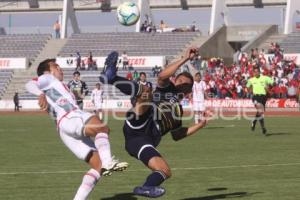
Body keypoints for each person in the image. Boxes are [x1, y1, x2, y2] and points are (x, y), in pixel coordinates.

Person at [100, 48, 208, 198]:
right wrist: (185, 59)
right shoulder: (168, 89)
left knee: (165, 171)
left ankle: (146, 187)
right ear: (175, 80)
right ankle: (111, 77)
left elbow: (177, 135)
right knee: (146, 92)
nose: (182, 84)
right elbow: (162, 76)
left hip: (142, 141)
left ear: (189, 91)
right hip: (142, 121)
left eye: (186, 84)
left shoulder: (179, 112)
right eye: (180, 80)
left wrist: (200, 125)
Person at [25, 59, 128, 200]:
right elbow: (29, 84)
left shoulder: (56, 85)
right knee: (102, 128)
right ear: (48, 71)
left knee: (97, 165)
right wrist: (40, 94)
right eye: (56, 66)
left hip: (64, 131)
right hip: (70, 116)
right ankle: (108, 161)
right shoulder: (47, 78)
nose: (60, 69)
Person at [246, 67, 274, 135]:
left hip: (263, 97)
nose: (255, 73)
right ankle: (263, 128)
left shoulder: (265, 78)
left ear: (259, 72)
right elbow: (247, 86)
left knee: (260, 112)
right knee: (260, 110)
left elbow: (272, 83)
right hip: (255, 97)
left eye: (257, 72)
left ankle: (254, 121)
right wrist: (250, 91)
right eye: (254, 72)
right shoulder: (251, 80)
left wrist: (269, 88)